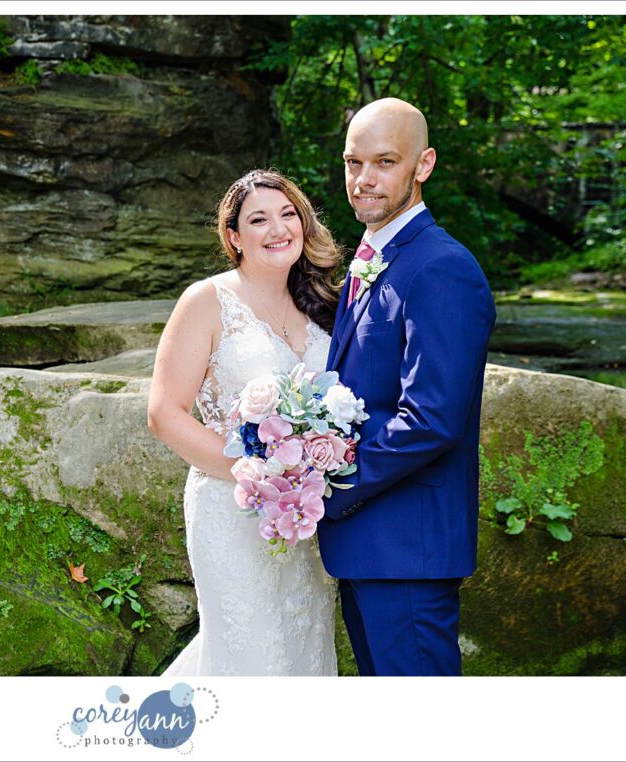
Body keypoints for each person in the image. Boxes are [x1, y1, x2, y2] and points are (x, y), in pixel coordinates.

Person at [317, 98, 496, 676]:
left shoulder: (441, 267)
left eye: (385, 162)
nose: (364, 180)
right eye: (353, 162)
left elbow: (431, 418)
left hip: (407, 551)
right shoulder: (373, 257)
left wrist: (326, 482)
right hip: (370, 548)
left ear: (423, 165)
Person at [148, 169, 344, 675]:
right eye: (258, 219)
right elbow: (164, 412)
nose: (278, 229)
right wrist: (249, 472)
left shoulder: (325, 302)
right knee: (247, 652)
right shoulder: (207, 301)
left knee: (302, 647)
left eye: (287, 215)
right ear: (234, 237)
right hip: (233, 509)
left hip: (305, 518)